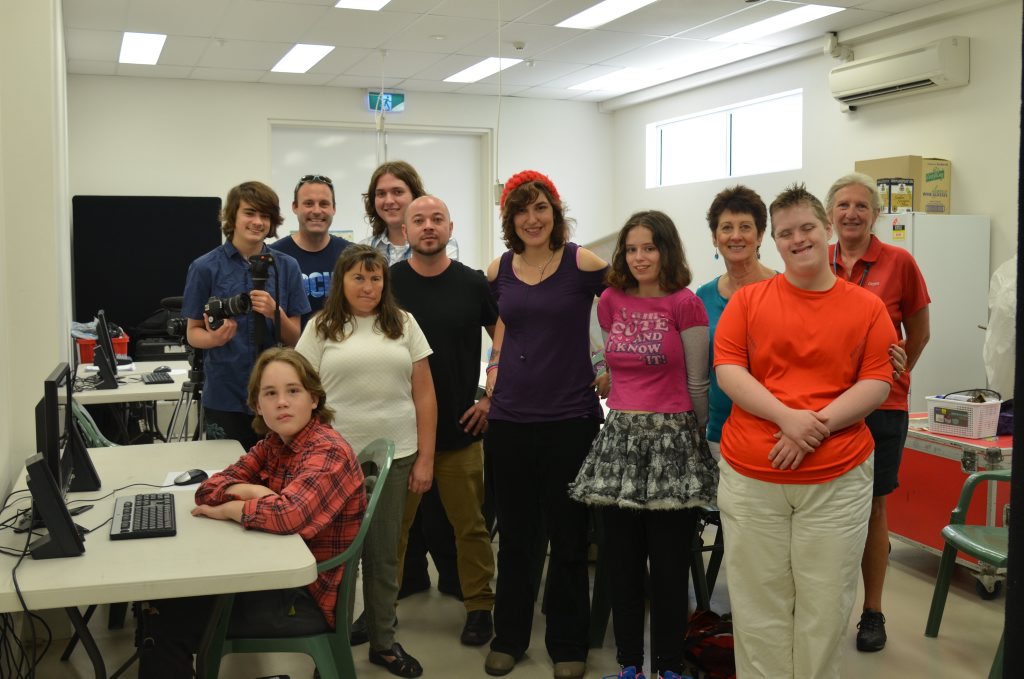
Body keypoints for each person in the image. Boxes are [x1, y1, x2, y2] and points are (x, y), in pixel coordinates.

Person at [713, 184, 897, 679]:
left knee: (826, 604)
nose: (798, 240)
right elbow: (729, 370)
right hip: (753, 479)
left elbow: (878, 380)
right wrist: (786, 418)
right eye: (786, 233)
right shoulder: (747, 302)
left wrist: (812, 426)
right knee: (758, 604)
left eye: (807, 228)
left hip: (836, 479)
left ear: (827, 229)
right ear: (773, 241)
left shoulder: (866, 307)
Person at [137, 347, 366, 679]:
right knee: (165, 601)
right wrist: (254, 492)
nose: (282, 402)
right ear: (258, 405)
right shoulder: (275, 444)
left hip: (304, 596)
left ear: (314, 398)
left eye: (293, 391)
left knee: (166, 623)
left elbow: (287, 515)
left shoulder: (328, 451)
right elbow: (207, 490)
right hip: (279, 575)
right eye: (270, 393)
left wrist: (232, 508)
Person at [569, 210, 718, 679]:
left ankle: (669, 665)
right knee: (623, 566)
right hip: (620, 444)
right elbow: (605, 359)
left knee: (670, 569)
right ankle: (629, 664)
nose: (639, 257)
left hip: (674, 442)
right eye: (631, 249)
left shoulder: (686, 304)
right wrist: (603, 373)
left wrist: (696, 439)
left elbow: (698, 382)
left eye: (649, 248)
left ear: (666, 251)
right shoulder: (611, 300)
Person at [482, 170, 608, 679]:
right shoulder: (500, 269)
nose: (532, 219)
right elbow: (505, 323)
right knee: (516, 537)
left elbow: (628, 306)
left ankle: (568, 642)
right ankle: (509, 637)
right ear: (510, 218)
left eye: (540, 208)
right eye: (521, 210)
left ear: (555, 212)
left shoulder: (583, 263)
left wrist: (611, 366)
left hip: (570, 420)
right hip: (510, 420)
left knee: (569, 536)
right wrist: (493, 368)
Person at [296, 244, 436, 678]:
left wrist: (426, 458)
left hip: (396, 457)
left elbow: (424, 395)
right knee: (337, 560)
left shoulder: (403, 324)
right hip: (333, 463)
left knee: (383, 558)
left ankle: (383, 643)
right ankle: (332, 648)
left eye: (376, 278)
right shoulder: (321, 327)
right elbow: (301, 392)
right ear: (341, 281)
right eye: (358, 277)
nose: (368, 286)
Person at [825, 172, 931, 653]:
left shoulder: (899, 262)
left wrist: (898, 370)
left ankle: (872, 612)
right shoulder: (817, 259)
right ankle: (825, 607)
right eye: (843, 205)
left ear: (876, 214)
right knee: (825, 505)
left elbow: (919, 332)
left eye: (861, 206)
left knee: (872, 506)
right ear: (830, 214)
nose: (852, 213)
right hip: (826, 403)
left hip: (883, 407)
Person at [391, 194, 499, 646]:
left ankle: (480, 609)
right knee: (391, 531)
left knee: (470, 528)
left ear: (450, 229)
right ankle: (380, 611)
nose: (428, 226)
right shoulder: (388, 283)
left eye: (437, 219)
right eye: (419, 220)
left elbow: (505, 339)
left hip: (461, 429)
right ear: (405, 231)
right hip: (401, 432)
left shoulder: (473, 283)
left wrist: (491, 397)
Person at [183, 181, 310, 449]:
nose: (258, 222)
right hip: (225, 394)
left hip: (277, 395)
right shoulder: (204, 268)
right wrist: (214, 339)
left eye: (265, 215)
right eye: (249, 213)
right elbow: (193, 332)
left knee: (279, 469)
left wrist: (275, 313)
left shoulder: (287, 267)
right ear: (233, 216)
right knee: (226, 468)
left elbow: (296, 338)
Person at [695, 186, 777, 459]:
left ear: (760, 235)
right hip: (719, 433)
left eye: (745, 227)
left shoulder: (785, 290)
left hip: (777, 432)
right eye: (726, 228)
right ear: (714, 238)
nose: (736, 236)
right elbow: (699, 369)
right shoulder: (703, 297)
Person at [269, 174, 352, 328]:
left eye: (324, 204)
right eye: (308, 203)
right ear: (295, 207)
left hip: (342, 341)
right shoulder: (274, 256)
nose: (316, 210)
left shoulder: (351, 254)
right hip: (293, 343)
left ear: (334, 208)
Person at [361, 160, 459, 264]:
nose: (389, 201)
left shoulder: (442, 243)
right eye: (381, 194)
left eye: (398, 192)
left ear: (415, 196)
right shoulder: (364, 248)